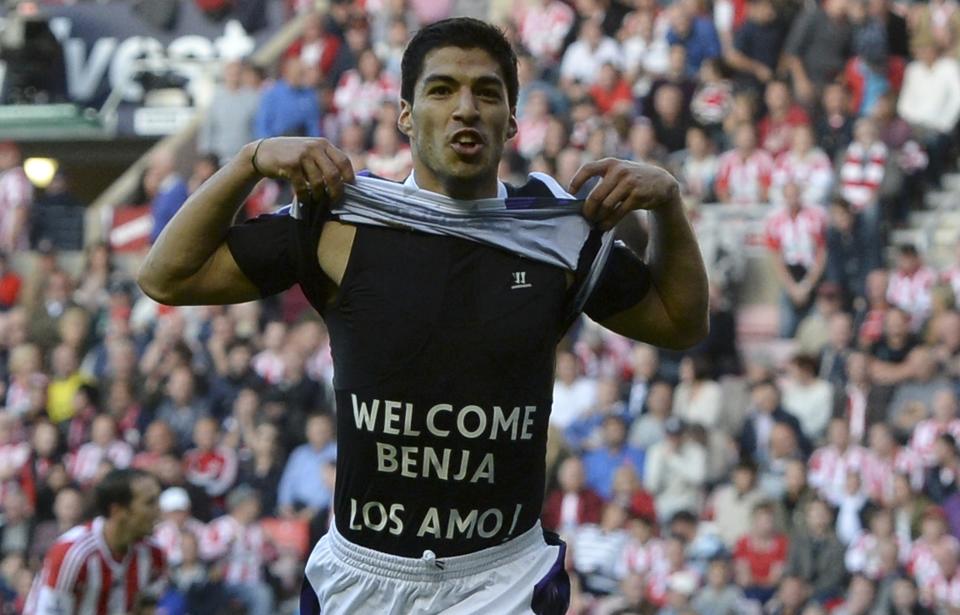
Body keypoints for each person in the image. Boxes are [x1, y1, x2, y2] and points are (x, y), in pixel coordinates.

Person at [137, 17, 708, 615]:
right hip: (362, 574)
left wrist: (668, 202)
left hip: (503, 576)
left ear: (511, 121)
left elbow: (679, 323)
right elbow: (165, 276)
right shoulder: (341, 220)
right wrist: (248, 162)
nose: (466, 108)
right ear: (405, 114)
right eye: (441, 90)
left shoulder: (556, 234)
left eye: (487, 92)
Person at [24, 468, 165, 615]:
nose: (159, 510)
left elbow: (147, 610)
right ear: (117, 510)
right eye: (150, 503)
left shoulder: (154, 555)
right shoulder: (71, 553)